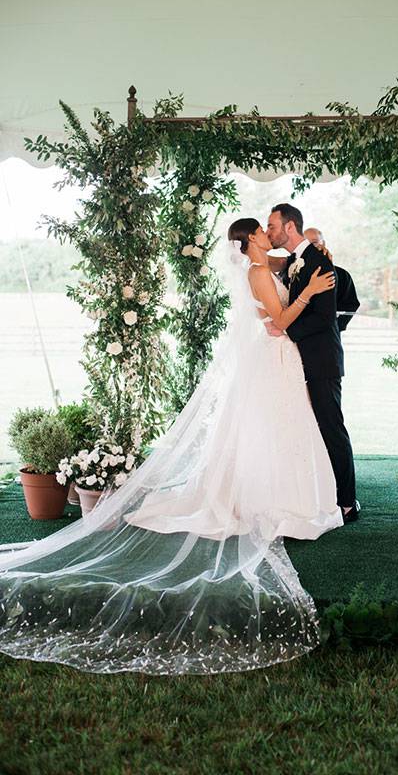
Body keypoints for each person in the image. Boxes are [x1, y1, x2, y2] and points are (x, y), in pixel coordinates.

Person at [0, 218, 343, 677]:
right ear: (246, 244)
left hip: (277, 362)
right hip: (273, 356)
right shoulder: (257, 273)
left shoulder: (265, 264)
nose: (267, 232)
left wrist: (312, 255)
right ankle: (274, 496)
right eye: (260, 231)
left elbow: (288, 260)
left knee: (280, 431)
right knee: (272, 429)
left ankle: (283, 490)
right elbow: (279, 321)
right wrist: (306, 291)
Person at [267, 204, 360, 523]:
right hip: (299, 361)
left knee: (331, 427)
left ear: (289, 227)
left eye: (273, 226)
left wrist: (285, 327)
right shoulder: (294, 262)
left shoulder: (320, 265)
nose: (270, 232)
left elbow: (323, 319)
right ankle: (320, 495)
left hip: (322, 361)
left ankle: (348, 502)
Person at [304, 227, 360, 332]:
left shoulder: (342, 275)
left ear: (323, 243)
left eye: (314, 243)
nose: (310, 248)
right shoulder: (295, 273)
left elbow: (351, 305)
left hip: (330, 334)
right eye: (306, 245)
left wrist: (335, 326)